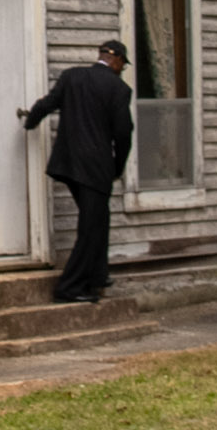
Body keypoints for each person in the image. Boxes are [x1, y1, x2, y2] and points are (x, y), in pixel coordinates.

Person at [23, 38, 134, 304]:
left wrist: (30, 122)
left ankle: (97, 277)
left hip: (68, 164)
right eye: (122, 65)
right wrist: (117, 166)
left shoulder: (72, 76)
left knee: (98, 219)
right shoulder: (118, 88)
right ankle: (70, 288)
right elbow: (123, 133)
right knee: (91, 228)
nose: (121, 69)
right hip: (96, 168)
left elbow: (46, 103)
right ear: (117, 60)